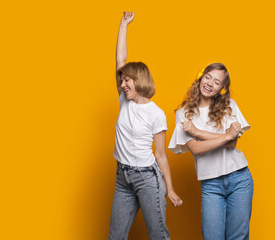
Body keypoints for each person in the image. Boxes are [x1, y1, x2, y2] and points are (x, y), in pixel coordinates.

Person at [108, 11, 182, 240]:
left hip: (147, 178)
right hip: (123, 178)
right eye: (122, 80)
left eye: (127, 80)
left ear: (138, 80)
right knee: (115, 237)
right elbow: (120, 61)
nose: (122, 83)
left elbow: (160, 155)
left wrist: (169, 188)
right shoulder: (124, 101)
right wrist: (123, 25)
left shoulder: (156, 114)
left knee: (158, 235)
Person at [168, 63, 253, 240]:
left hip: (240, 178)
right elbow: (197, 149)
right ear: (200, 77)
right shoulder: (183, 113)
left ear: (222, 88)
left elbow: (231, 145)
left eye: (217, 82)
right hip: (211, 184)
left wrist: (197, 132)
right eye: (208, 77)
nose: (209, 84)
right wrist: (226, 135)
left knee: (239, 237)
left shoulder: (229, 105)